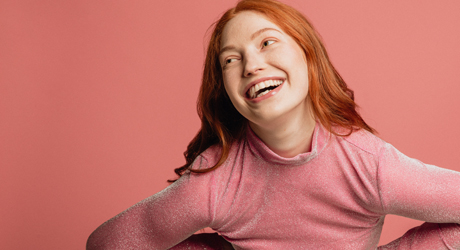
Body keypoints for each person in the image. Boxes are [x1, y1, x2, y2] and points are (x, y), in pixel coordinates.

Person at [86, 0, 460, 249]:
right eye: (231, 60)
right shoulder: (214, 183)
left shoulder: (371, 166)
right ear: (226, 90)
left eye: (267, 43)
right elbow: (104, 244)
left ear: (308, 55)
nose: (251, 65)